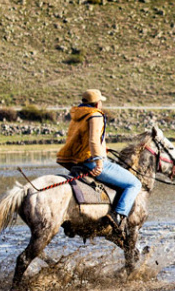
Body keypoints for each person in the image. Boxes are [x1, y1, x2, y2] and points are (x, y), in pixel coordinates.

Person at [56, 89, 142, 233]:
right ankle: (117, 216)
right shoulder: (95, 115)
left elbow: (82, 139)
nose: (101, 104)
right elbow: (93, 140)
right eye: (100, 101)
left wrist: (103, 148)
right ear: (97, 103)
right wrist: (99, 161)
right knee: (134, 183)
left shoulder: (79, 114)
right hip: (91, 161)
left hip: (77, 161)